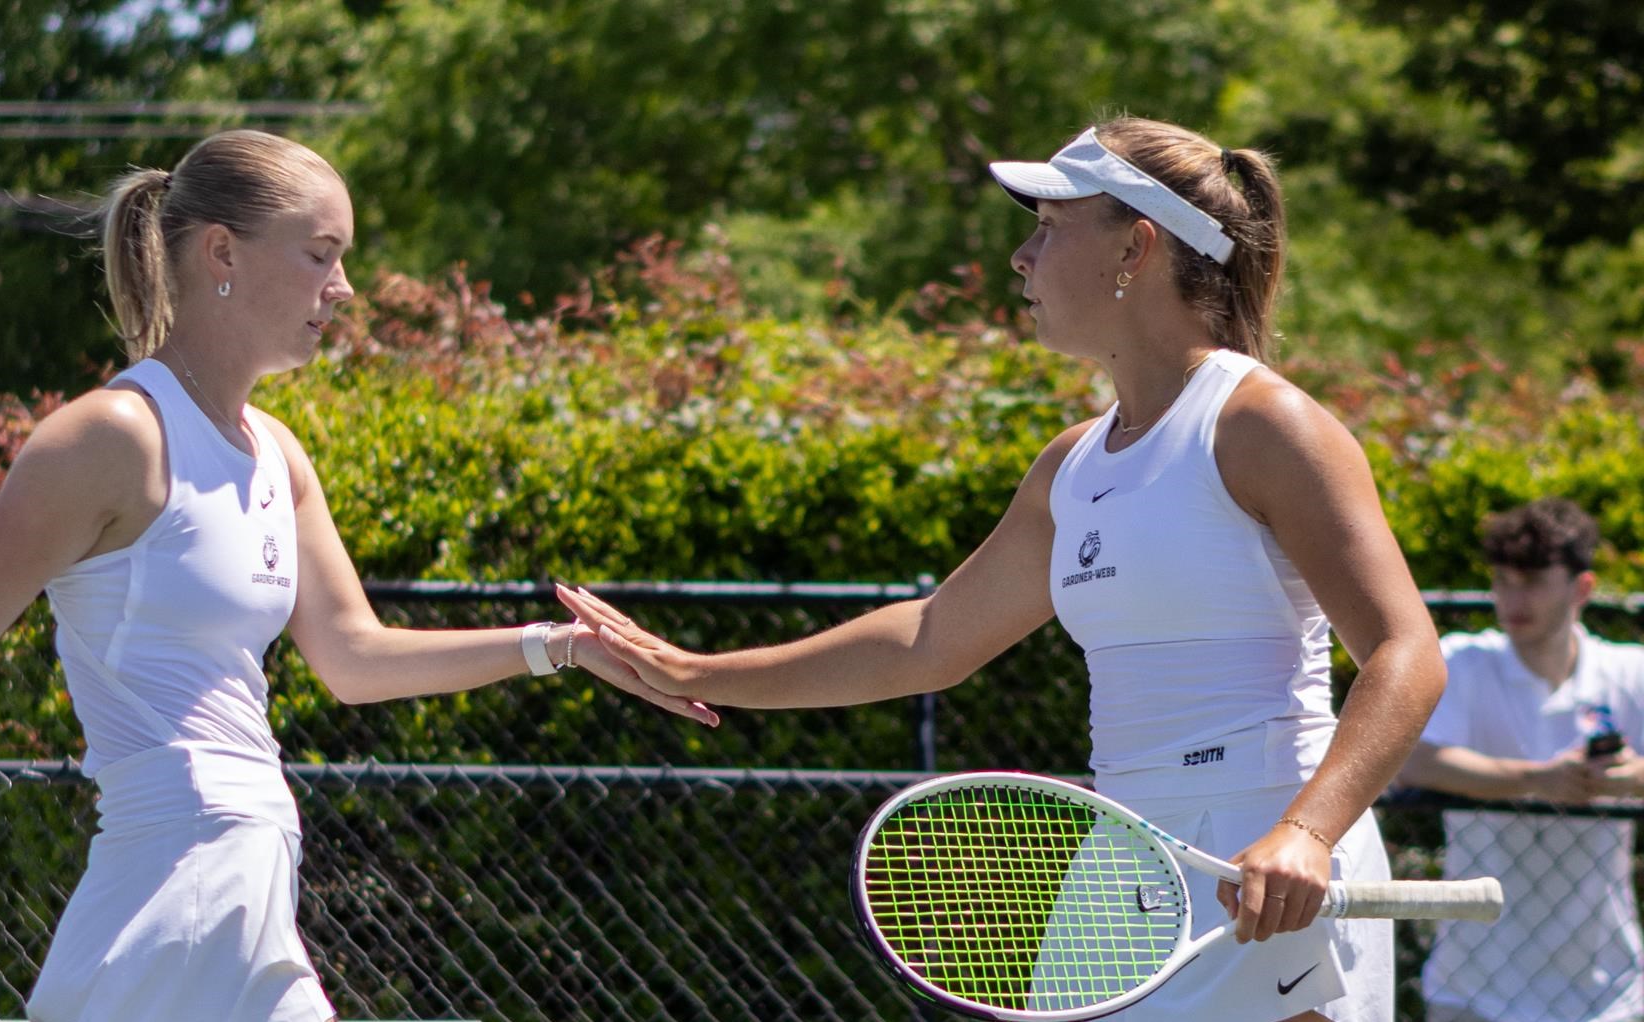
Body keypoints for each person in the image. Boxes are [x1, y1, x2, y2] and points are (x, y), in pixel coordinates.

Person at [0, 129, 714, 1022]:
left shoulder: (277, 454)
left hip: (253, 871)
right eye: (320, 254)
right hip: (171, 881)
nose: (342, 288)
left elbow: (353, 657)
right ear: (221, 251)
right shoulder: (109, 437)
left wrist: (558, 646)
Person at [556, 117, 1447, 1022]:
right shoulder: (1073, 466)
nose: (1021, 258)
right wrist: (691, 672)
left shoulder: (1266, 426)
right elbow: (927, 641)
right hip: (1128, 855)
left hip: (1267, 855)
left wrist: (1305, 831)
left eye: (1050, 226)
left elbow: (1407, 652)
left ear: (1135, 245)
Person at [1398, 498, 1644, 1022]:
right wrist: (1539, 780)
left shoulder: (1628, 671)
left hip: (1606, 984)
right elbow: (1412, 761)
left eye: (1531, 580)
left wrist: (1631, 778)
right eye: (1502, 580)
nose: (1513, 596)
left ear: (1582, 587)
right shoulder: (1463, 661)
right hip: (1474, 979)